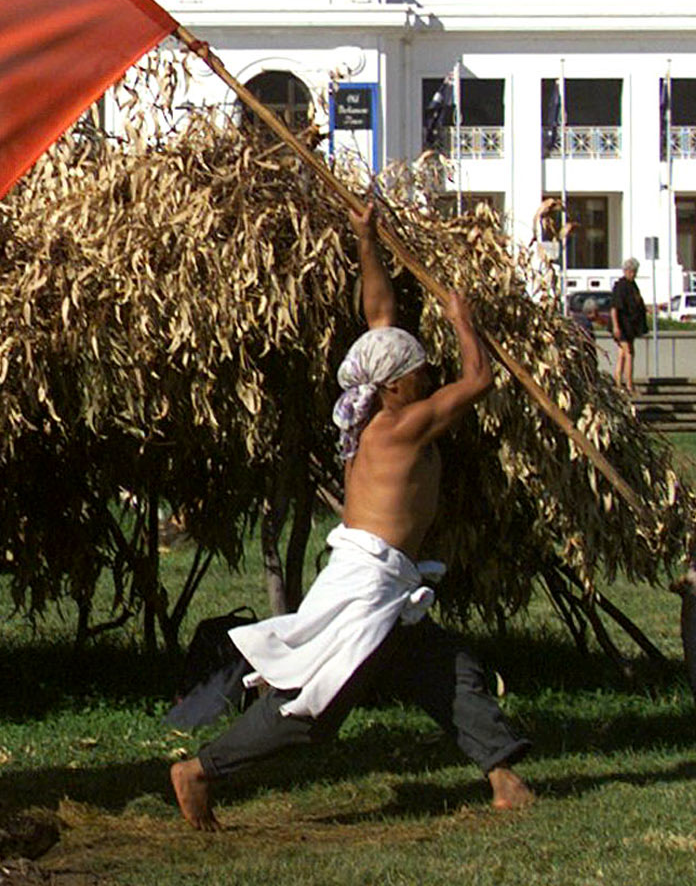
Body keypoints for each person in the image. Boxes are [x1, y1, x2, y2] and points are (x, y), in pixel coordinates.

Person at [170, 202, 533, 830]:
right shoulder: (401, 426)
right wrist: (462, 319)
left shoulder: (375, 407)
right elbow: (478, 381)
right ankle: (201, 771)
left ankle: (504, 778)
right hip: (368, 587)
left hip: (386, 583)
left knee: (447, 670)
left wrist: (367, 238)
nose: (428, 376)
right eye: (419, 372)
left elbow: (379, 317)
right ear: (394, 386)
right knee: (314, 712)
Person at [609, 259, 647, 395]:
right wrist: (616, 327)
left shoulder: (633, 286)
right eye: (631, 271)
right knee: (629, 353)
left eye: (634, 272)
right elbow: (614, 308)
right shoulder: (621, 286)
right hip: (622, 326)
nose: (633, 274)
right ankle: (629, 385)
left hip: (629, 327)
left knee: (622, 354)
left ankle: (618, 382)